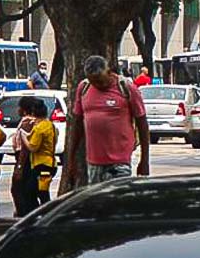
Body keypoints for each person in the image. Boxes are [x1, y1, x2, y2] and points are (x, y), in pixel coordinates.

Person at [63, 55, 149, 189]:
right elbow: (77, 124)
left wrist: (144, 160)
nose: (98, 85)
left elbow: (142, 124)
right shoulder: (84, 88)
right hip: (93, 162)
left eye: (100, 81)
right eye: (94, 82)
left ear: (109, 73)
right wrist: (71, 160)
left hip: (119, 162)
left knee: (117, 203)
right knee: (97, 204)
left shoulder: (126, 88)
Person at [9, 94, 55, 216]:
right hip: (36, 162)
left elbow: (27, 148)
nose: (17, 110)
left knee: (26, 192)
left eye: (19, 107)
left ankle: (28, 216)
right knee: (31, 192)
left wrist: (19, 167)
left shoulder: (29, 124)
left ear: (25, 109)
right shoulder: (43, 124)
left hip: (32, 162)